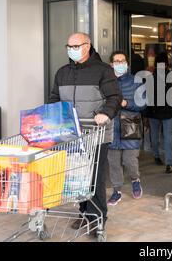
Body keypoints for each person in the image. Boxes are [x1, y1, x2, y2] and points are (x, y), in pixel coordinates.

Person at [48, 33, 122, 235]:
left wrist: (105, 113)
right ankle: (84, 213)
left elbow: (114, 97)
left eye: (76, 45)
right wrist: (50, 113)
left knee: (95, 178)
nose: (71, 49)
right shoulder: (62, 72)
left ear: (87, 46)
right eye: (69, 46)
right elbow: (54, 97)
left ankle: (98, 219)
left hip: (96, 134)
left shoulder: (103, 70)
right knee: (77, 175)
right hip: (72, 135)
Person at [107, 51, 146, 206]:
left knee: (130, 160)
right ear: (111, 64)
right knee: (114, 162)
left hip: (130, 124)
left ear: (127, 64)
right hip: (111, 126)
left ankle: (135, 179)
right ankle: (117, 191)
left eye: (122, 61)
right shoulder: (106, 81)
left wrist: (126, 104)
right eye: (116, 61)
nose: (120, 63)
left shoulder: (136, 81)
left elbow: (143, 104)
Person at [146, 51, 172, 174]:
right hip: (168, 111)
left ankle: (156, 155)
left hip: (154, 111)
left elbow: (147, 96)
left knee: (154, 134)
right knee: (168, 137)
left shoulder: (150, 77)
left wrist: (146, 113)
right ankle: (169, 163)